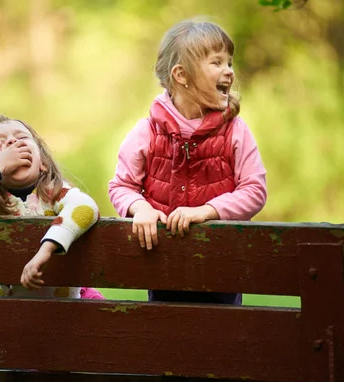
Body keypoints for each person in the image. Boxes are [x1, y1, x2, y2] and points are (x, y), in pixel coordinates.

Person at [108, 18, 267, 305]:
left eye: (229, 62)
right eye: (216, 63)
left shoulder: (234, 130)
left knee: (219, 340)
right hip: (163, 266)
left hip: (220, 265)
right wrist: (140, 207)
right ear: (181, 75)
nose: (229, 71)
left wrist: (208, 211)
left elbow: (255, 190)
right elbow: (121, 186)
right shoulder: (148, 132)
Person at [0, 115, 102, 299]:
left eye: (22, 138)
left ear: (43, 163)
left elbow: (86, 207)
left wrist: (46, 250)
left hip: (69, 312)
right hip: (9, 316)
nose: (12, 141)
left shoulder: (54, 193)